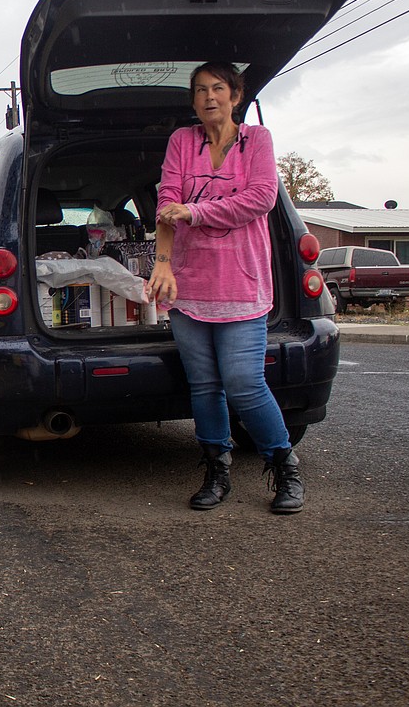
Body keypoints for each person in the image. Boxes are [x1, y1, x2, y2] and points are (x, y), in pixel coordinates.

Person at [146, 62, 305, 514]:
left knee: (244, 385)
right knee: (205, 386)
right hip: (189, 285)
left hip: (241, 282)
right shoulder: (183, 141)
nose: (209, 97)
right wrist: (163, 265)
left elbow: (260, 199)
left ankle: (284, 465)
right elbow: (165, 203)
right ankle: (217, 470)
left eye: (218, 88)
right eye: (200, 90)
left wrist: (193, 213)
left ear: (236, 95)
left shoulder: (257, 140)